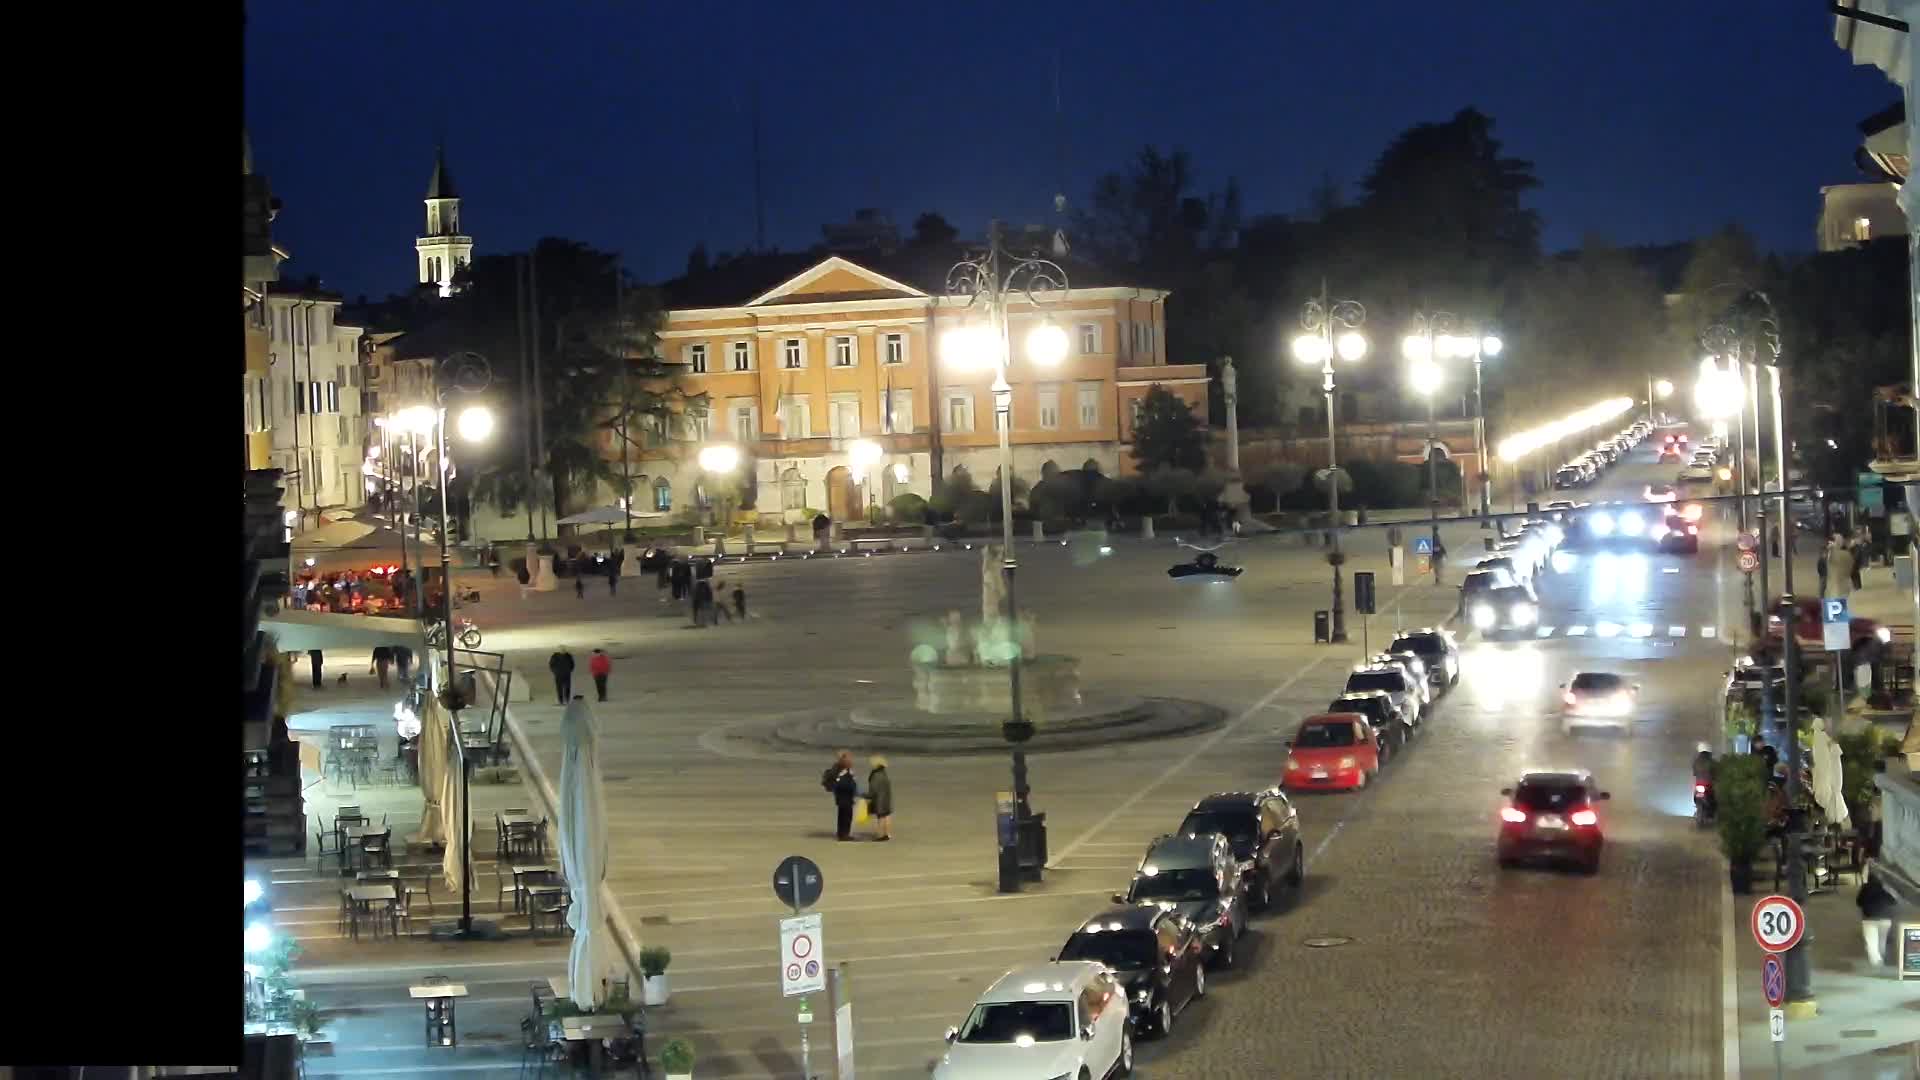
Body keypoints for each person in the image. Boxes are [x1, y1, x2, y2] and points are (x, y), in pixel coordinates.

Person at [1856, 861, 1898, 968]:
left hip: (1869, 918)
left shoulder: (1865, 888)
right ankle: (1881, 955)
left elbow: (1859, 902)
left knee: (1871, 941)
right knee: (1882, 940)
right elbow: (1893, 901)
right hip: (1885, 919)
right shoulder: (1885, 888)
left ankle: (1877, 960)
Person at [821, 751, 858, 841]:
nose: (851, 760)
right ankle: (844, 835)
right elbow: (842, 783)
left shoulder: (840, 769)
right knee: (846, 816)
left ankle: (842, 834)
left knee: (843, 815)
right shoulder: (842, 771)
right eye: (849, 758)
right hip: (844, 796)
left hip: (843, 796)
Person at [866, 755, 894, 841]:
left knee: (881, 817)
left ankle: (880, 835)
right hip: (886, 798)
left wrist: (865, 796)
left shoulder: (876, 775)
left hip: (879, 799)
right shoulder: (883, 773)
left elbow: (873, 790)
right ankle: (887, 834)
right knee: (887, 815)